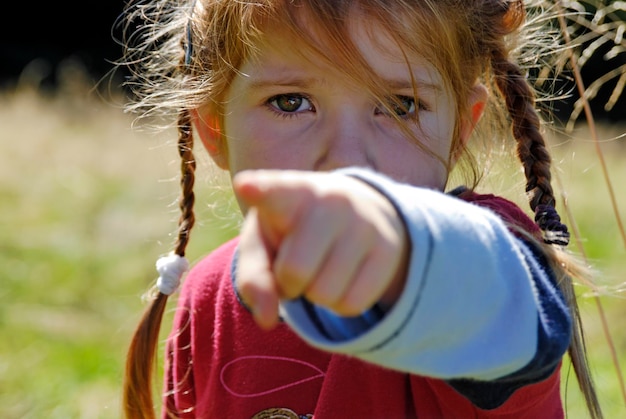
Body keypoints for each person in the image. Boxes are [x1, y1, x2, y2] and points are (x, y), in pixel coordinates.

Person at [120, 0, 602, 418]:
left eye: (400, 106)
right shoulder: (207, 295)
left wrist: (405, 254)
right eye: (291, 102)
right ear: (216, 130)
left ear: (458, 131)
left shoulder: (483, 250)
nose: (347, 158)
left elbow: (506, 307)